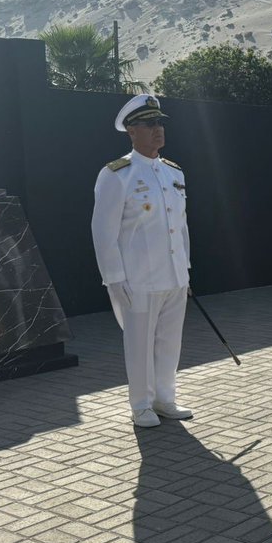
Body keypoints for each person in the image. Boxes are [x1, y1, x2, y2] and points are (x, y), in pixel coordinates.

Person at [92, 94, 193, 428]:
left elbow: (182, 226)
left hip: (174, 275)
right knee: (139, 342)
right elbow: (103, 232)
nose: (157, 130)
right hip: (138, 278)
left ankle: (165, 398)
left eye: (159, 123)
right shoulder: (117, 174)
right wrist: (114, 278)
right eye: (149, 124)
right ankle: (141, 404)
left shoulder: (173, 172)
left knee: (169, 341)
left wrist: (186, 268)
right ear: (131, 131)